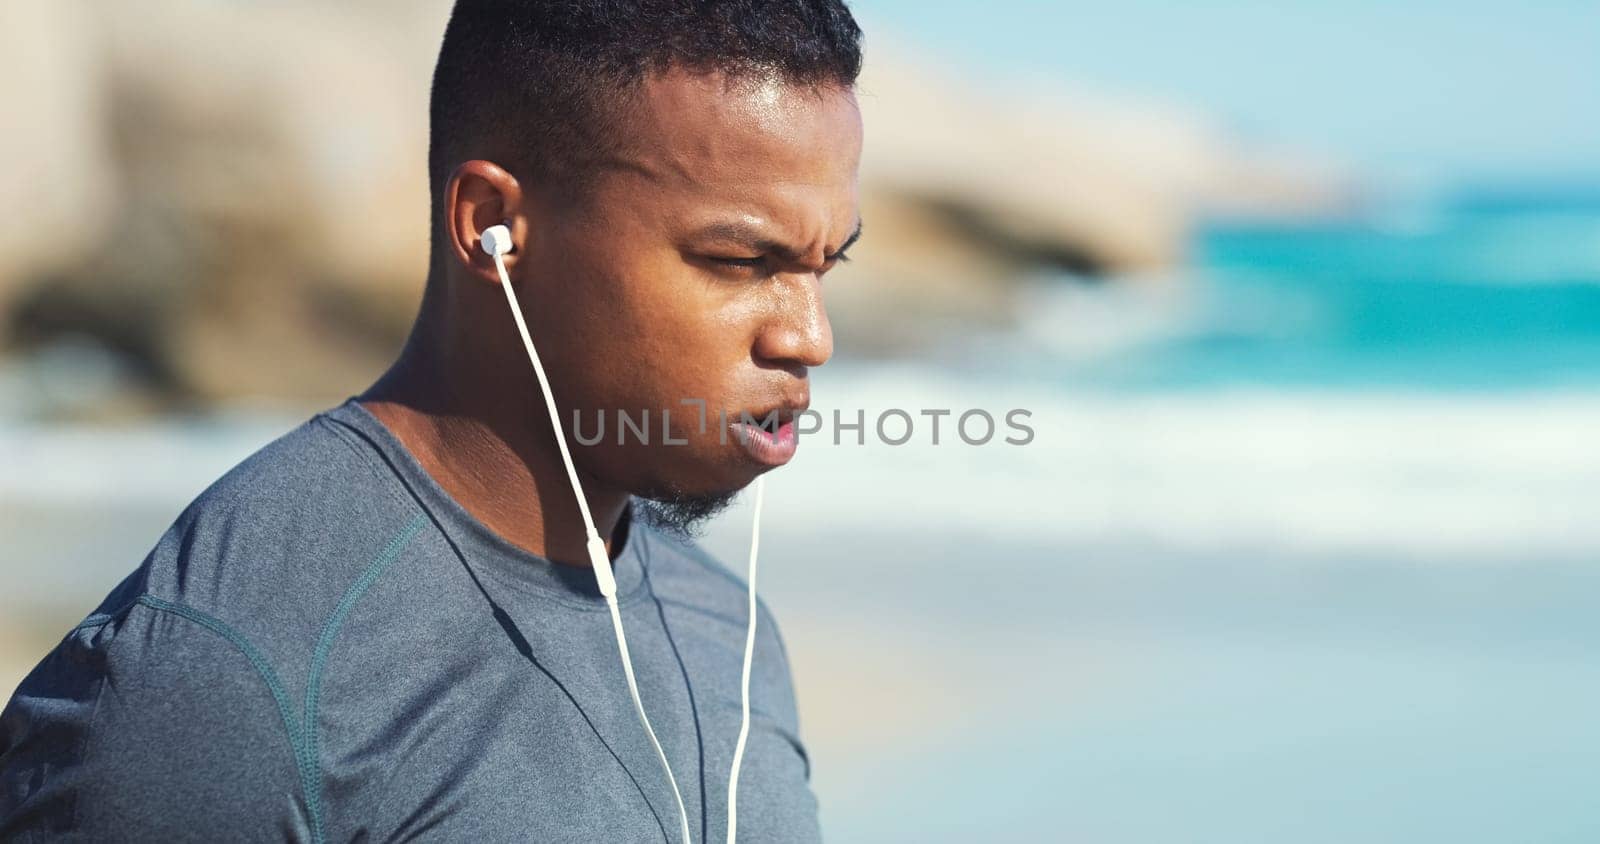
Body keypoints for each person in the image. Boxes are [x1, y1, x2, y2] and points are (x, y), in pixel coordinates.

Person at [0, 0, 864, 840]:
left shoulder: (727, 628)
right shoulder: (227, 681)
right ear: (493, 227)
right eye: (742, 260)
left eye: (827, 264)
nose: (809, 337)